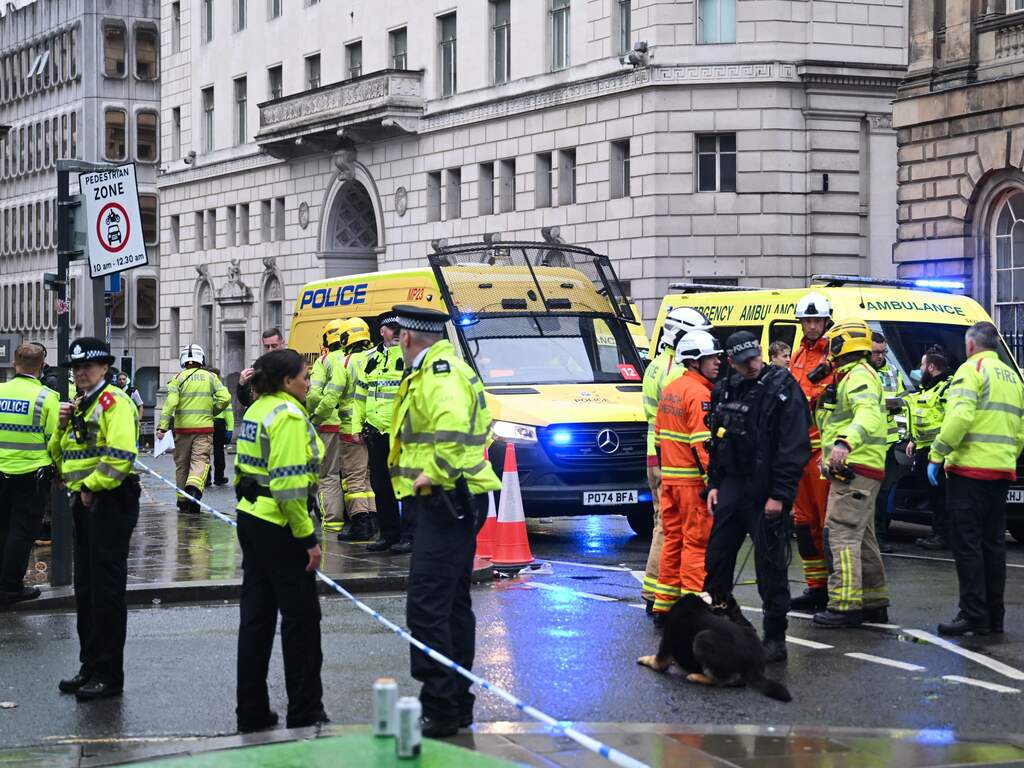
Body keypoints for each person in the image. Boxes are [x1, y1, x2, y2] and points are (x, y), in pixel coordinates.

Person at [387, 304, 501, 738]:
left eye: (398, 336)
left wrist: (431, 472)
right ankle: (454, 702)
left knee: (428, 604)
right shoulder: (442, 368)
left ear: (409, 337)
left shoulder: (439, 372)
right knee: (451, 604)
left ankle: (441, 705)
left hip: (446, 499)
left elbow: (452, 428)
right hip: (453, 500)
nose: (397, 343)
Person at [233, 348, 328, 732]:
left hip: (252, 520)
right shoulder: (288, 416)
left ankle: (251, 711)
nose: (309, 383)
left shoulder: (257, 409)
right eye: (305, 377)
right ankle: (305, 711)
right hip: (281, 527)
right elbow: (289, 485)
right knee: (301, 622)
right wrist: (307, 538)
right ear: (288, 381)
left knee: (255, 621)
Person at [704, 331, 810, 662]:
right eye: (743, 360)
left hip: (767, 488)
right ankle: (727, 625)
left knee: (770, 566)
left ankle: (774, 638)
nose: (752, 364)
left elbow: (793, 446)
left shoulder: (782, 387)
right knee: (716, 560)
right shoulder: (725, 388)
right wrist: (714, 484)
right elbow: (717, 441)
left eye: (755, 357)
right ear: (731, 362)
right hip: (733, 484)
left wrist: (780, 494)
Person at [51, 337, 141, 700]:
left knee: (105, 593)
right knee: (86, 591)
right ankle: (90, 665)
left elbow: (120, 456)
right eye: (76, 368)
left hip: (110, 500)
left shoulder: (112, 402)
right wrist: (60, 426)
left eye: (87, 366)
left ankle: (109, 673)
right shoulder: (81, 405)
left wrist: (90, 486)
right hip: (86, 502)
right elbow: (60, 456)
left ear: (105, 367)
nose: (80, 373)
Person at [929, 322, 1024, 637]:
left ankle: (972, 614)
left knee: (967, 546)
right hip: (1000, 471)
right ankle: (993, 616)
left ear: (970, 346)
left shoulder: (971, 370)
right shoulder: (1013, 378)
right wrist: (1005, 456)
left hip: (968, 472)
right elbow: (1019, 431)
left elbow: (960, 417)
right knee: (993, 546)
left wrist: (939, 452)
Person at [813, 319, 890, 629]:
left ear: (840, 345)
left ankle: (844, 604)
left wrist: (845, 443)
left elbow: (867, 414)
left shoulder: (858, 377)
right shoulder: (853, 376)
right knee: (863, 537)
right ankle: (874, 600)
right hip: (863, 467)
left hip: (854, 468)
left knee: (841, 533)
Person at [640, 307, 711, 612]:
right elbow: (694, 432)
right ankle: (663, 594)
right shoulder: (679, 374)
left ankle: (660, 595)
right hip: (678, 463)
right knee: (676, 532)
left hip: (660, 455)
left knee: (667, 528)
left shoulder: (656, 365)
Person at [651, 330, 721, 621]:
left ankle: (664, 605)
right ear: (694, 361)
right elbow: (704, 445)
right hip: (692, 484)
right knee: (696, 544)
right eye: (711, 358)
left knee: (673, 541)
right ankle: (693, 609)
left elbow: (658, 437)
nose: (718, 362)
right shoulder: (699, 393)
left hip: (671, 481)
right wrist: (712, 483)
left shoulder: (672, 389)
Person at [0, 344, 59, 606]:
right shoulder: (47, 398)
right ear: (42, 367)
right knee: (21, 534)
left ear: (15, 364)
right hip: (31, 475)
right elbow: (54, 440)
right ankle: (10, 587)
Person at [789, 292, 835, 611]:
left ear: (825, 321)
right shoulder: (797, 355)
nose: (812, 325)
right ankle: (815, 586)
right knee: (804, 524)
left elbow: (825, 394)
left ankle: (835, 587)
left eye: (816, 320)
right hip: (798, 451)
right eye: (807, 320)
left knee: (826, 522)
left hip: (822, 451)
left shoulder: (832, 354)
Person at [318, 318, 377, 542]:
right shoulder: (376, 358)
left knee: (353, 478)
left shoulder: (346, 362)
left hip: (350, 429)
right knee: (367, 478)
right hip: (373, 427)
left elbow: (331, 395)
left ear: (346, 339)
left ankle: (360, 523)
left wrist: (317, 416)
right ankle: (372, 519)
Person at [156, 345, 231, 513]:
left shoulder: (177, 378)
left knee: (182, 465)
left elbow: (170, 404)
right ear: (201, 359)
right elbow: (225, 397)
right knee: (200, 461)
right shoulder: (211, 377)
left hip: (182, 430)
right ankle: (194, 489)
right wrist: (214, 410)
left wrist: (162, 426)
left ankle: (182, 501)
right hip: (204, 429)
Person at [360, 313, 409, 553]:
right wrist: (357, 426)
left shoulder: (409, 358)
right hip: (377, 430)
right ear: (381, 331)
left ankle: (408, 536)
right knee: (381, 485)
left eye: (399, 328)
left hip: (401, 432)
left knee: (406, 485)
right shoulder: (369, 359)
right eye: (391, 328)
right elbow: (361, 395)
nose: (396, 332)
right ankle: (388, 534)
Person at [905, 346, 952, 550]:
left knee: (942, 497)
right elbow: (924, 419)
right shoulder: (930, 389)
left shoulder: (946, 389)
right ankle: (938, 532)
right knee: (934, 497)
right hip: (926, 450)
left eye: (922, 365)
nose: (920, 369)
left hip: (940, 453)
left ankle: (944, 535)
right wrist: (914, 440)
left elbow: (950, 420)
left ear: (931, 367)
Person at [306, 320, 347, 532]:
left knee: (329, 475)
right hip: (353, 427)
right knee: (356, 477)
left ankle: (333, 522)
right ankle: (362, 519)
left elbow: (313, 394)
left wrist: (316, 414)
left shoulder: (324, 361)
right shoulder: (357, 359)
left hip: (329, 426)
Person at [870, 332, 907, 552]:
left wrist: (900, 405)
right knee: (868, 493)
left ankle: (880, 536)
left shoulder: (893, 371)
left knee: (883, 493)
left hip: (890, 441)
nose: (880, 356)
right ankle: (870, 537)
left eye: (883, 352)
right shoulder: (860, 373)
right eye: (876, 352)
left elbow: (903, 398)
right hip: (867, 443)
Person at [237, 328, 287, 409]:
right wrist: (242, 384)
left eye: (274, 346)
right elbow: (245, 400)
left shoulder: (292, 363)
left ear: (282, 344)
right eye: (267, 347)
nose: (270, 350)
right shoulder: (258, 366)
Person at [206, 368, 233, 487]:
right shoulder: (222, 390)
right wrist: (230, 428)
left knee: (204, 452)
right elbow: (228, 410)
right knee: (219, 451)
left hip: (206, 422)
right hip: (219, 423)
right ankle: (219, 477)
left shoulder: (204, 390)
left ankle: (206, 478)